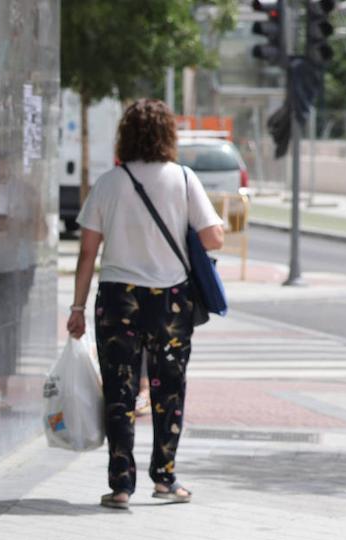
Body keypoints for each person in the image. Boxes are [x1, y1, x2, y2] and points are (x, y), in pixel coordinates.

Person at [67, 99, 224, 509]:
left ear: (126, 135)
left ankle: (121, 486)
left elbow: (87, 254)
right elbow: (214, 239)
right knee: (168, 389)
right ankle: (165, 479)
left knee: (119, 391)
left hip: (117, 298)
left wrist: (77, 308)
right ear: (168, 135)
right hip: (170, 299)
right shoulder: (184, 179)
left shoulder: (108, 183)